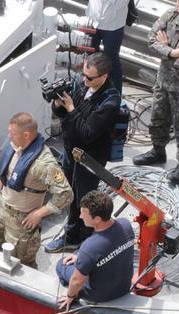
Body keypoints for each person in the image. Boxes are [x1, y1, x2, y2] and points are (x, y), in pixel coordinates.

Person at [45, 52, 120, 253]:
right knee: (71, 195)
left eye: (89, 78)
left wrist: (70, 108)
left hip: (89, 160)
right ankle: (72, 234)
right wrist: (59, 105)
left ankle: (82, 240)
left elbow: (88, 133)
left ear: (103, 77)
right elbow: (63, 115)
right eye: (83, 74)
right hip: (71, 152)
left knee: (84, 201)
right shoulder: (82, 83)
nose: (84, 80)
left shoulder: (110, 102)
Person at [132, 0, 179, 184]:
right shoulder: (171, 15)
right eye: (178, 2)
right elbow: (151, 38)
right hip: (163, 82)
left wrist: (165, 49)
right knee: (157, 119)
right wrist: (172, 52)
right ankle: (158, 151)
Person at [0, 112, 73, 268]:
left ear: (26, 135)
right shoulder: (16, 145)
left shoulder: (44, 163)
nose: (9, 136)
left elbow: (66, 194)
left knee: (20, 265)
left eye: (12, 134)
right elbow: (10, 168)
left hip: (22, 220)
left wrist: (39, 213)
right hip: (1, 209)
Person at [56, 190, 135, 311]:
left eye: (83, 213)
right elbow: (109, 250)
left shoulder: (89, 247)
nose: (80, 216)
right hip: (124, 287)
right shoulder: (125, 224)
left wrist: (70, 296)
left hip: (99, 296)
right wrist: (83, 259)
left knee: (61, 264)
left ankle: (74, 294)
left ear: (97, 219)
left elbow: (77, 281)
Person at [87, 0, 129, 94]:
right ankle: (87, 92)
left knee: (112, 60)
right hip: (92, 20)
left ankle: (115, 98)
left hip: (114, 24)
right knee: (89, 56)